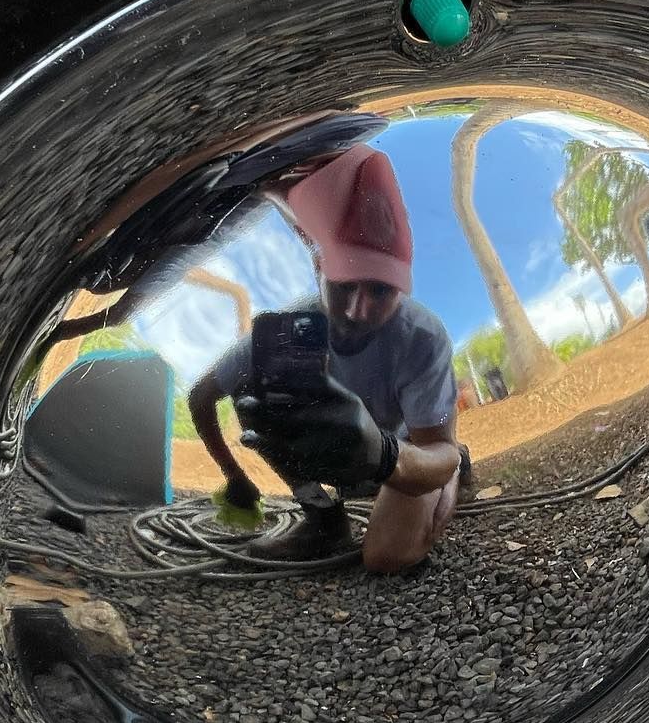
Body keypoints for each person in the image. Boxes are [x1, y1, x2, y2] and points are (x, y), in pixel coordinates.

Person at [188, 144, 462, 573]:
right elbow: (201, 397)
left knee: (387, 558)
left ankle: (455, 473)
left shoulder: (421, 336)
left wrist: (388, 453)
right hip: (333, 454)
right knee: (260, 400)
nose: (358, 311)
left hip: (404, 454)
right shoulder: (287, 327)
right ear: (318, 271)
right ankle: (323, 517)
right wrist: (235, 477)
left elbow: (437, 450)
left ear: (402, 288)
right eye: (344, 285)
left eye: (380, 290)